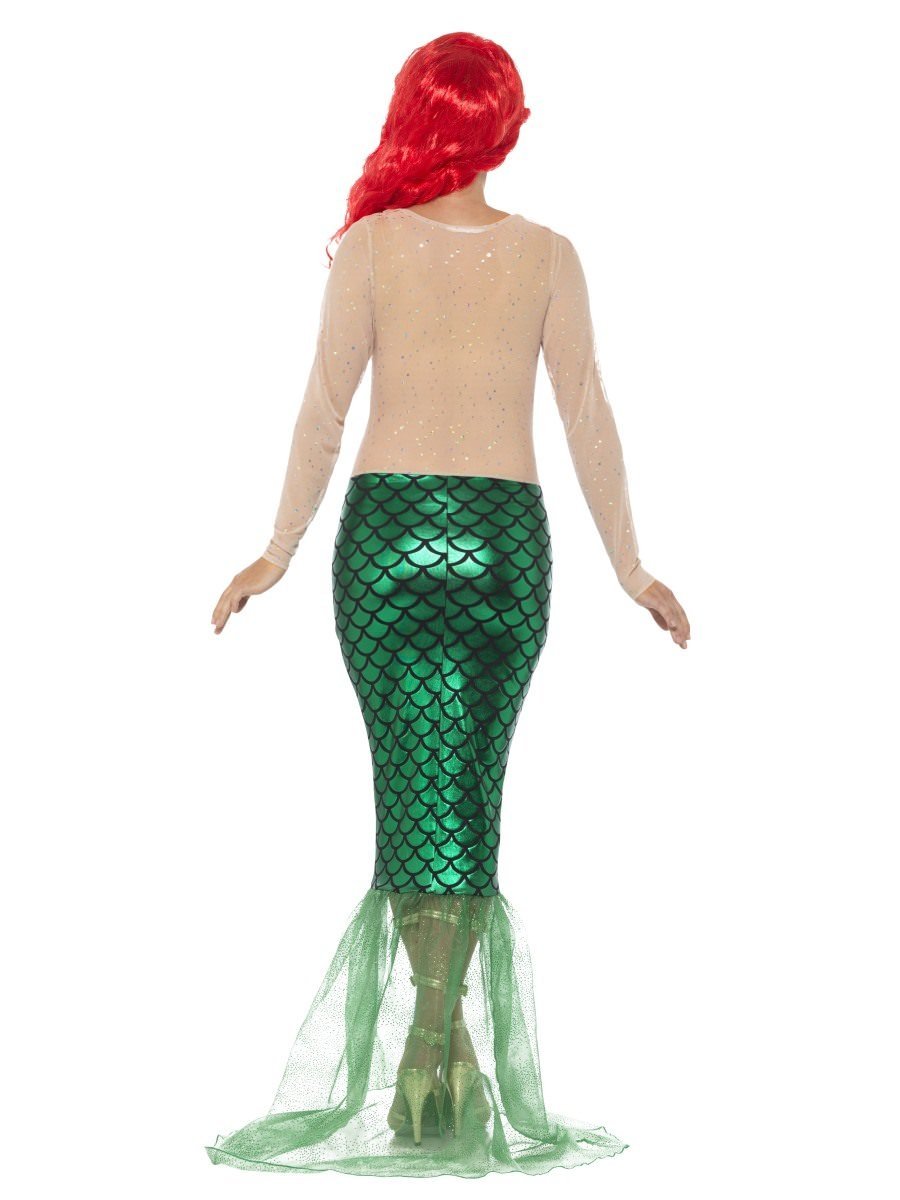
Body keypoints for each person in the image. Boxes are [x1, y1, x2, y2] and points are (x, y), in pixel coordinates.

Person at [206, 30, 690, 1180]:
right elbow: (586, 414)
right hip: (501, 548)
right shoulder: (550, 257)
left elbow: (324, 410)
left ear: (415, 118)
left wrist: (276, 551)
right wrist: (632, 569)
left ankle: (434, 1047)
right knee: (465, 797)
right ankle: (440, 1045)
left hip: (386, 547)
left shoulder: (374, 248)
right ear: (504, 125)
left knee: (412, 798)